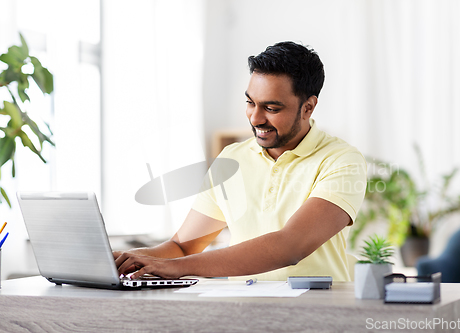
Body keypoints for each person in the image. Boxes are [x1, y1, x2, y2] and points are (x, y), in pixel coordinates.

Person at [114, 41, 367, 281]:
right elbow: (182, 247)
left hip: (313, 312)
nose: (255, 118)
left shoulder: (341, 160)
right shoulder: (231, 159)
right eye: (250, 102)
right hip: (241, 309)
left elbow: (290, 246)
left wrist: (176, 268)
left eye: (271, 108)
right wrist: (124, 259)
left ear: (308, 108)